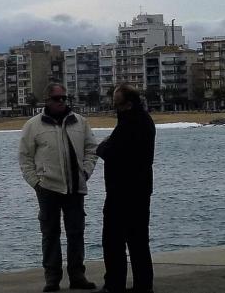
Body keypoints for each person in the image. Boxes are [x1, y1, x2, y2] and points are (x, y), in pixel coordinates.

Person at [19, 82, 99, 292]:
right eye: (57, 98)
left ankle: (77, 276)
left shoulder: (80, 122)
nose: (61, 101)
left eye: (64, 97)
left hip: (75, 187)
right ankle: (52, 279)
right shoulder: (33, 126)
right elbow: (25, 157)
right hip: (47, 188)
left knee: (76, 233)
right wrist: (36, 182)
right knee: (50, 234)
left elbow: (92, 149)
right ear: (47, 100)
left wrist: (85, 172)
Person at [96, 84, 156, 293]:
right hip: (141, 190)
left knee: (113, 240)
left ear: (127, 104)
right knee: (138, 241)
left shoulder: (129, 124)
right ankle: (143, 284)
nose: (115, 108)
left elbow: (113, 152)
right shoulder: (145, 121)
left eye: (117, 104)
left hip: (121, 191)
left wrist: (102, 148)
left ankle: (115, 283)